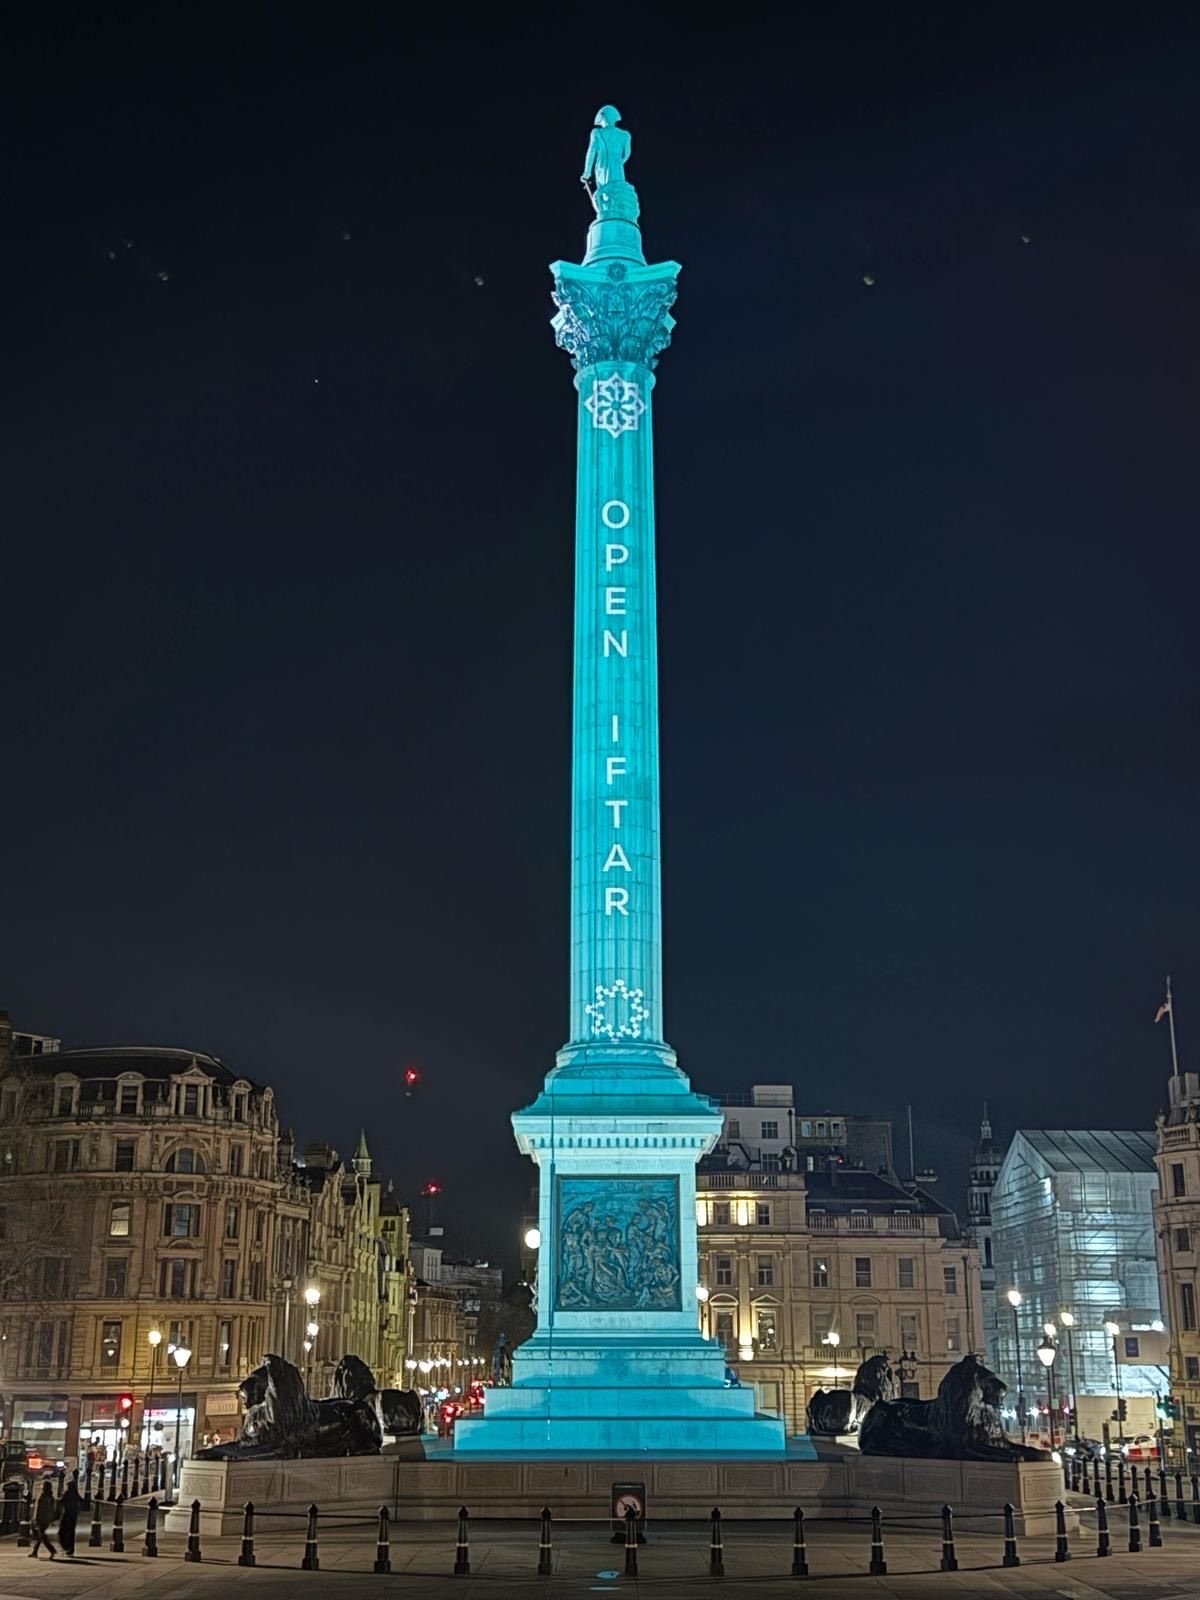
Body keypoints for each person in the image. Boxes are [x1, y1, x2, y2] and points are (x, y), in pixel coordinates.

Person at [28, 1479, 58, 1559]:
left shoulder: (43, 1496)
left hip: (41, 1519)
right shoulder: (50, 1496)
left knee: (42, 1536)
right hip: (46, 1519)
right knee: (40, 1536)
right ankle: (35, 1552)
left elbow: (40, 1509)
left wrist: (35, 1518)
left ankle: (52, 1550)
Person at [57, 1476, 81, 1557]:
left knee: (62, 1532)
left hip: (67, 1515)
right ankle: (70, 1550)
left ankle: (66, 1548)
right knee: (71, 1533)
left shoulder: (68, 1494)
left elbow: (60, 1502)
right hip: (73, 1516)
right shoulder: (75, 1494)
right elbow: (82, 1502)